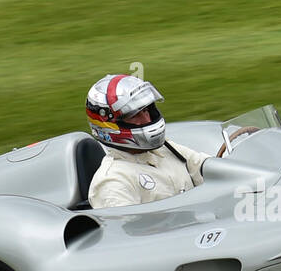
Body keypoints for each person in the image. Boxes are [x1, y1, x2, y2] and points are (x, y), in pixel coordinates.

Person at [85, 74, 213, 209]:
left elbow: (210, 168)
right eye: (134, 115)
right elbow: (127, 228)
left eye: (146, 110)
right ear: (110, 125)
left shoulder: (166, 149)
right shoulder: (112, 182)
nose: (146, 119)